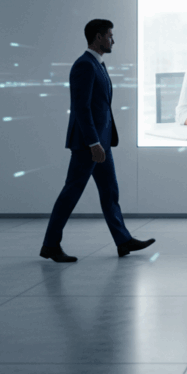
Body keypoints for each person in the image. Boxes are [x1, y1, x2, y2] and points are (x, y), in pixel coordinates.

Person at [41, 20, 155, 262]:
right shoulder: (85, 65)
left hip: (100, 143)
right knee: (71, 193)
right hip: (88, 145)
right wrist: (93, 143)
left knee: (110, 192)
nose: (113, 41)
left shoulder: (97, 64)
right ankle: (51, 245)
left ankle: (123, 240)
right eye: (110, 36)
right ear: (97, 37)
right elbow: (81, 108)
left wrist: (100, 143)